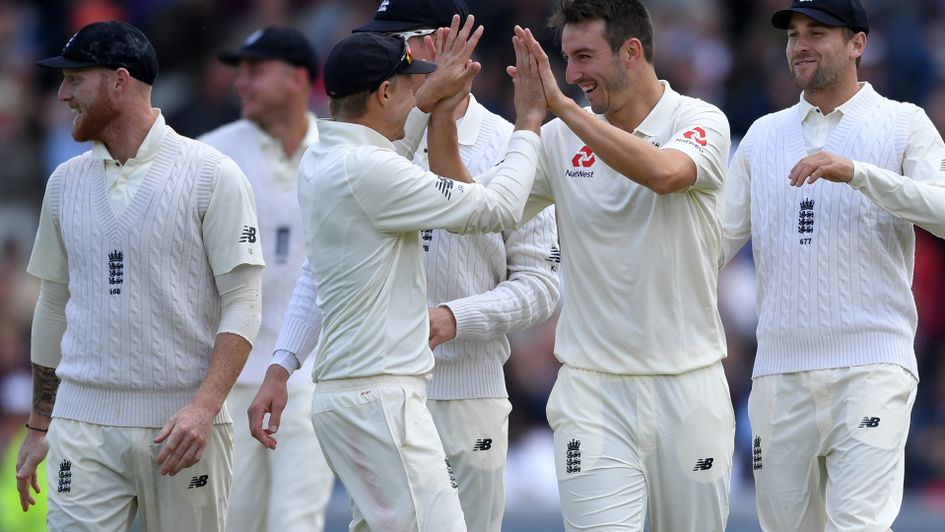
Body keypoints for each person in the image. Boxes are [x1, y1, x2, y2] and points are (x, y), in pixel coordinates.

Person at [249, 16, 548, 531]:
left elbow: (394, 145)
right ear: (385, 92)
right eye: (411, 86)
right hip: (379, 398)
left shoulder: (326, 157)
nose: (418, 96)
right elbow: (495, 208)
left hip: (351, 397)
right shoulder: (374, 170)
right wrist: (529, 125)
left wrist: (281, 365)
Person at [14, 21, 264, 531]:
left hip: (183, 428)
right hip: (81, 424)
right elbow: (53, 304)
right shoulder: (63, 183)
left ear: (118, 82)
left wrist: (204, 407)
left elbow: (244, 299)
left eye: (74, 80)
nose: (62, 95)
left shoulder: (211, 173)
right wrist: (40, 425)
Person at [721, 0, 945, 529]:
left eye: (817, 32)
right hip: (779, 371)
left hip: (873, 362)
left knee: (859, 524)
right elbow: (712, 243)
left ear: (857, 43)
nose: (800, 44)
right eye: (794, 34)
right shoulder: (761, 136)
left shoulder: (903, 123)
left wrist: (859, 174)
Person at [515, 0, 735, 529]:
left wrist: (562, 110)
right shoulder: (557, 138)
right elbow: (484, 209)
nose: (571, 76)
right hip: (591, 392)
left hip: (690, 388)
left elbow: (664, 174)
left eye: (585, 56)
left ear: (631, 52)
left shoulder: (700, 119)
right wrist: (454, 118)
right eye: (565, 59)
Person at [198, 27, 334, 532]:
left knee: (296, 522)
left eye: (255, 71)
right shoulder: (210, 157)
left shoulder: (338, 152)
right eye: (240, 72)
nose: (241, 83)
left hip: (311, 376)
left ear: (297, 78)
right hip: (230, 379)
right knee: (232, 523)